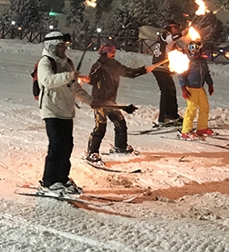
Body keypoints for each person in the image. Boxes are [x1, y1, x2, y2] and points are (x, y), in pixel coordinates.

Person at [36, 31, 92, 195]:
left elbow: (74, 87)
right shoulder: (45, 62)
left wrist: (90, 101)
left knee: (67, 146)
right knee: (56, 146)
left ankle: (62, 178)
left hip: (66, 110)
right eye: (60, 46)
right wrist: (68, 76)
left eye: (64, 46)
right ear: (51, 46)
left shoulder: (68, 63)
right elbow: (47, 81)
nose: (63, 49)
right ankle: (49, 182)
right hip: (51, 110)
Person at [84, 44, 155, 163]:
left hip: (111, 101)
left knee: (120, 123)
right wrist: (88, 79)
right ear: (105, 53)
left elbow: (128, 72)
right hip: (100, 102)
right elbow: (92, 79)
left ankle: (120, 147)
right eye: (111, 52)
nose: (114, 54)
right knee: (100, 127)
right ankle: (92, 152)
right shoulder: (98, 65)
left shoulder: (115, 65)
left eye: (114, 52)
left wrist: (143, 70)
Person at [146, 20, 183, 125]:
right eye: (175, 27)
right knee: (166, 92)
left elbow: (174, 49)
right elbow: (171, 39)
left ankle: (173, 115)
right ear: (169, 28)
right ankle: (163, 118)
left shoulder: (167, 39)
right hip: (160, 67)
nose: (177, 29)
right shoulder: (165, 35)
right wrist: (183, 33)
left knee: (171, 91)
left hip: (164, 68)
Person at [178, 38, 215, 139]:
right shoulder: (187, 61)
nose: (194, 50)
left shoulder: (202, 61)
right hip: (190, 87)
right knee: (191, 109)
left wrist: (210, 84)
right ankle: (186, 131)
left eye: (196, 48)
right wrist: (183, 89)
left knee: (204, 107)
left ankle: (202, 127)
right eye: (191, 48)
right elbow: (181, 75)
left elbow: (206, 74)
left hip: (200, 87)